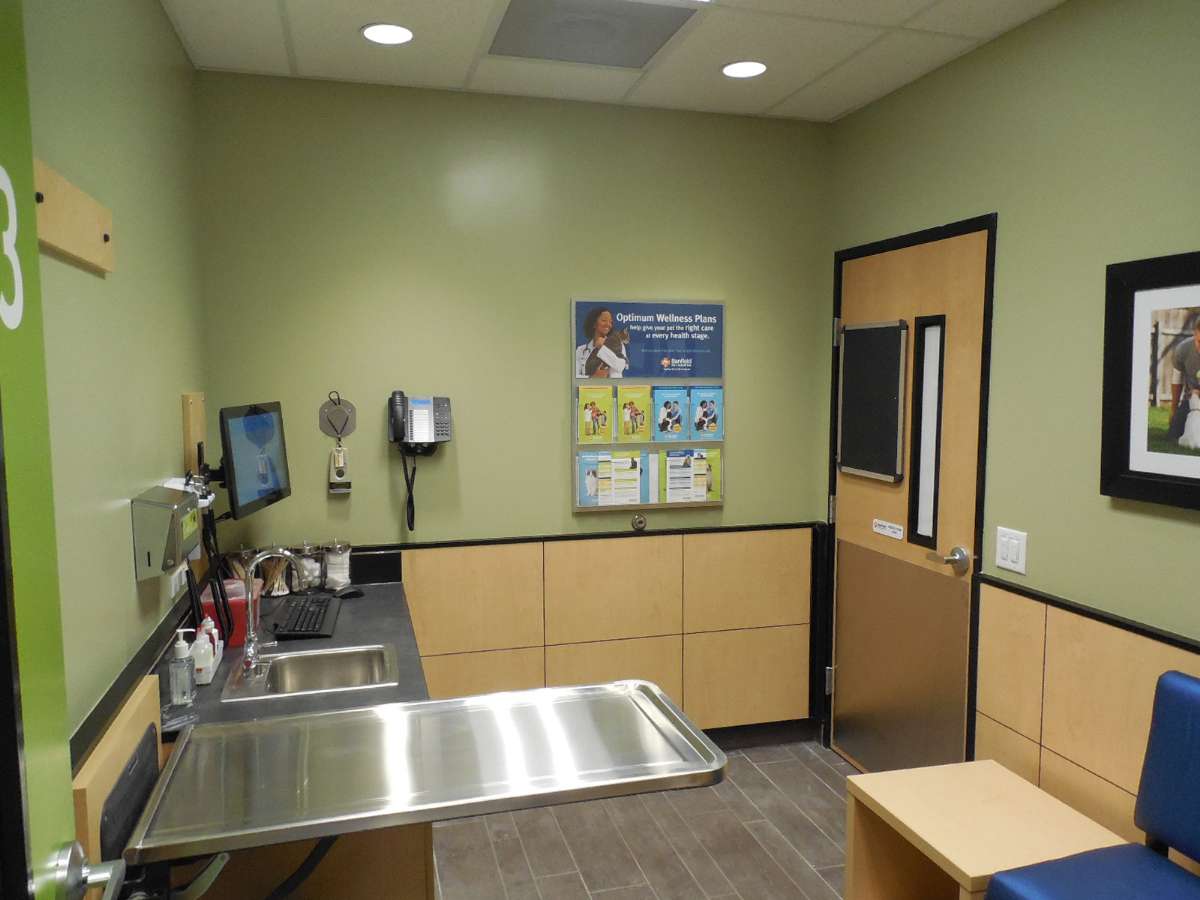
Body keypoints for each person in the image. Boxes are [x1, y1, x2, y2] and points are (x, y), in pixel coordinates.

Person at [1168, 320, 1200, 441]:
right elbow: (1176, 380)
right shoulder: (1182, 349)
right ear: (1195, 333)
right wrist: (1173, 409)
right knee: (1174, 434)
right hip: (1191, 400)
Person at [575, 307, 627, 378]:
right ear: (594, 324)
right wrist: (592, 378)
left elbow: (620, 366)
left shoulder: (618, 344)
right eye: (604, 320)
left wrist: (602, 348)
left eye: (610, 322)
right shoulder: (581, 350)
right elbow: (574, 376)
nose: (608, 324)